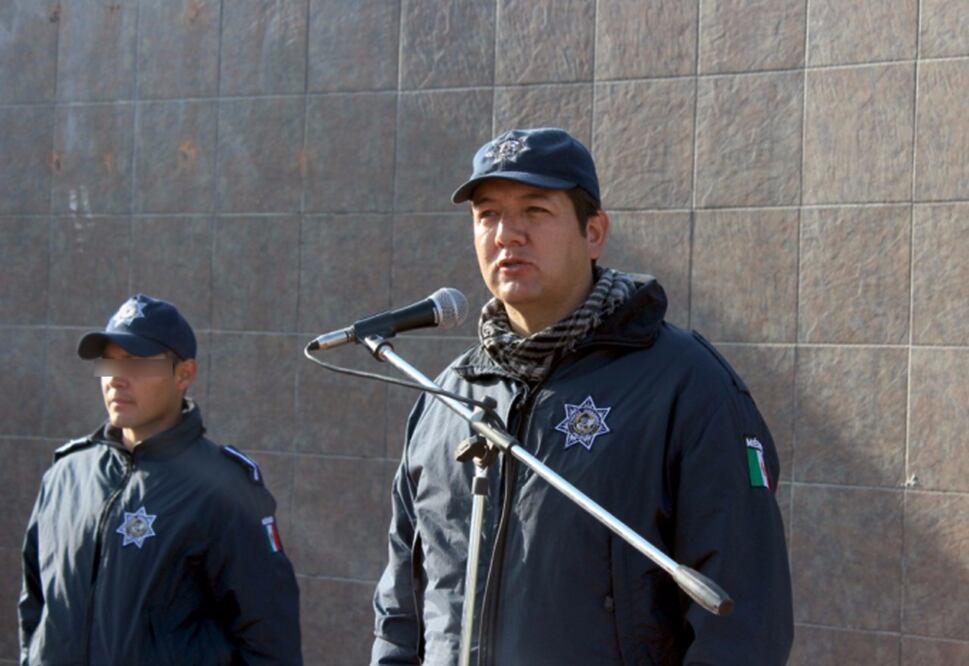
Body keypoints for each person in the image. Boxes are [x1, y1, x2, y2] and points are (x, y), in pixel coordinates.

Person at [371, 128, 793, 665]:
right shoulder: (448, 397)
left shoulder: (686, 385)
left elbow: (743, 625)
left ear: (593, 233)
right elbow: (402, 610)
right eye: (488, 215)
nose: (507, 235)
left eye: (535, 211)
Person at [19, 294, 302, 666]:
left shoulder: (223, 488)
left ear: (184, 373)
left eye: (136, 363)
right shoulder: (66, 475)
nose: (116, 379)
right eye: (109, 362)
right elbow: (36, 609)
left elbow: (269, 638)